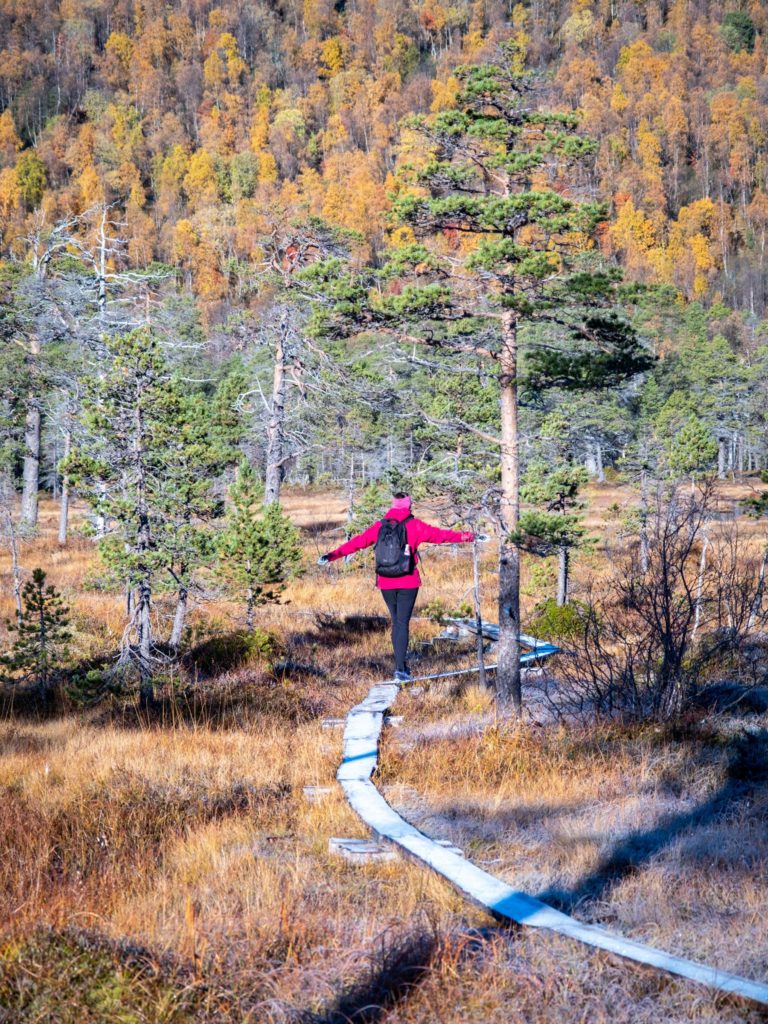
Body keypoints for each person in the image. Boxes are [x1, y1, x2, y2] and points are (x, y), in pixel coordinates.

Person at [318, 492, 476, 682]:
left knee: (396, 622)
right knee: (402, 623)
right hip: (408, 582)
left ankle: (400, 667)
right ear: (409, 506)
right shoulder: (415, 525)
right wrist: (470, 536)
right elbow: (442, 536)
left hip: (385, 582)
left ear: (392, 506)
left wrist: (331, 555)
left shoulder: (379, 527)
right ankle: (401, 669)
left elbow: (357, 543)